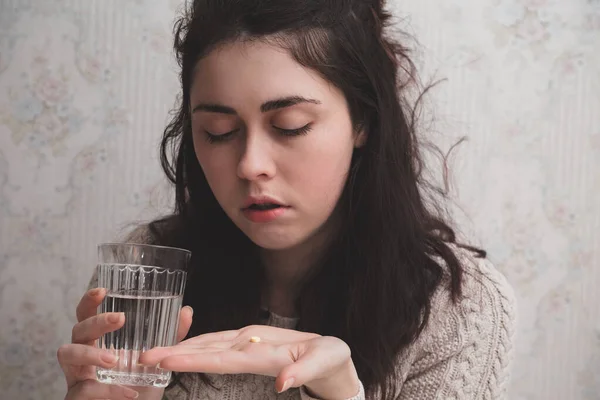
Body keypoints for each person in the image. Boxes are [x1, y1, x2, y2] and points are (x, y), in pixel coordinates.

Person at [57, 0, 517, 399]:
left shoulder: (458, 309)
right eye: (219, 132)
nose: (250, 165)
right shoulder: (147, 277)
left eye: (290, 125)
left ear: (363, 121)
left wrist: (340, 394)